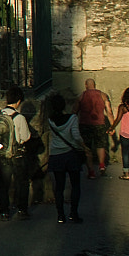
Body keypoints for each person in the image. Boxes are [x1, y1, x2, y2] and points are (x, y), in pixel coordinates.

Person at [42, 92, 86, 223]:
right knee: (75, 185)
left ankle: (60, 215)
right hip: (71, 154)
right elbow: (76, 136)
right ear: (64, 105)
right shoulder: (72, 118)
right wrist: (82, 146)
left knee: (59, 187)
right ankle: (74, 213)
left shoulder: (50, 120)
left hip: (56, 154)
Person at [0, 85, 35, 220]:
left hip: (2, 153)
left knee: (4, 183)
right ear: (18, 101)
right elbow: (26, 137)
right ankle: (22, 209)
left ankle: (4, 211)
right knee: (22, 182)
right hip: (17, 154)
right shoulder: (19, 117)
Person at [75, 78, 113, 178]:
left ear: (86, 85)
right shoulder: (103, 95)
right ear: (95, 85)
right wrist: (112, 126)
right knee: (100, 146)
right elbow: (109, 112)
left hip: (85, 124)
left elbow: (74, 112)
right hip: (100, 124)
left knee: (87, 148)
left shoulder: (81, 96)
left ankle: (91, 171)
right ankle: (101, 166)